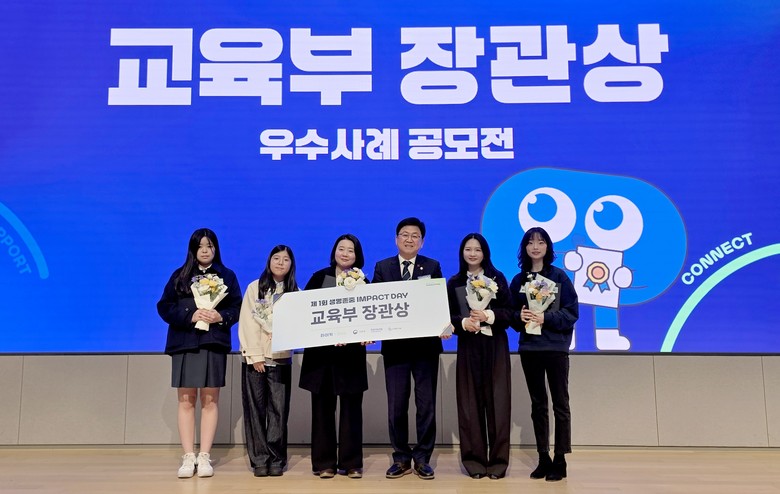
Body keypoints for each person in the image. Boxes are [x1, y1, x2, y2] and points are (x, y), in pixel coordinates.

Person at [157, 228, 242, 478]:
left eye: (210, 245)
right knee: (186, 400)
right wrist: (190, 314)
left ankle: (204, 455)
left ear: (216, 248)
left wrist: (220, 316)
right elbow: (164, 307)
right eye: (200, 246)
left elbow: (237, 307)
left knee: (210, 400)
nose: (205, 250)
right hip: (184, 343)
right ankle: (188, 456)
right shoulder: (180, 275)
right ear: (193, 249)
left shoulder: (227, 276)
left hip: (212, 343)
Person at [372, 217, 448, 480]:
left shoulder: (432, 266)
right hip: (396, 350)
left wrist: (443, 323)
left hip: (426, 348)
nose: (409, 239)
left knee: (426, 405)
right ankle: (401, 457)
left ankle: (423, 458)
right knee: (396, 406)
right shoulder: (383, 267)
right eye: (404, 234)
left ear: (422, 242)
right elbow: (375, 305)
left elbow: (439, 303)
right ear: (396, 239)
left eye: (415, 236)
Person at [509, 226, 579, 482]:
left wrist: (545, 318)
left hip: (556, 348)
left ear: (548, 246)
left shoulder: (559, 277)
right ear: (525, 248)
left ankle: (560, 459)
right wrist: (520, 316)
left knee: (560, 404)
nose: (535, 246)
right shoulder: (518, 280)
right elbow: (511, 316)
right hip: (530, 349)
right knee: (538, 404)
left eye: (540, 242)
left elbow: (571, 313)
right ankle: (543, 457)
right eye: (530, 242)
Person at [299, 234, 370, 479]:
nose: (345, 253)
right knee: (322, 410)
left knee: (351, 410)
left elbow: (371, 316)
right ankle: (324, 463)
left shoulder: (363, 281)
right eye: (341, 248)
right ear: (334, 252)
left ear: (357, 255)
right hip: (322, 356)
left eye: (351, 250)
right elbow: (305, 311)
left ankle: (351, 463)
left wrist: (368, 333)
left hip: (350, 356)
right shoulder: (320, 277)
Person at [446, 233, 513, 480]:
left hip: (495, 346)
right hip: (468, 347)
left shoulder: (497, 278)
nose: (472, 253)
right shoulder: (454, 282)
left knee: (498, 403)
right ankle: (474, 462)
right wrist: (463, 322)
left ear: (485, 253)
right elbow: (447, 316)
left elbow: (510, 313)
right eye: (468, 249)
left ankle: (498, 463)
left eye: (477, 249)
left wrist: (489, 316)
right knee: (469, 405)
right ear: (462, 252)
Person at [238, 245, 298, 477]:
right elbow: (247, 322)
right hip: (256, 360)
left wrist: (286, 335)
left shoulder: (295, 292)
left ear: (291, 265)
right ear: (269, 261)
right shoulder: (255, 287)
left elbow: (299, 325)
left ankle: (276, 459)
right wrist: (255, 356)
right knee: (256, 411)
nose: (281, 263)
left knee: (279, 412)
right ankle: (259, 460)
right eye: (276, 258)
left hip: (281, 359)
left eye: (286, 259)